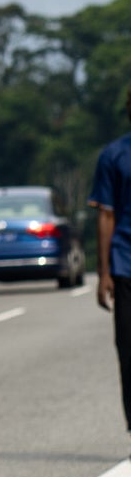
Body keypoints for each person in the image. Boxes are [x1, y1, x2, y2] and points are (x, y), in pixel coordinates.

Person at [89, 84, 131, 440]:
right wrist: (104, 273)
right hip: (126, 263)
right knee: (129, 351)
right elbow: (106, 215)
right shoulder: (114, 155)